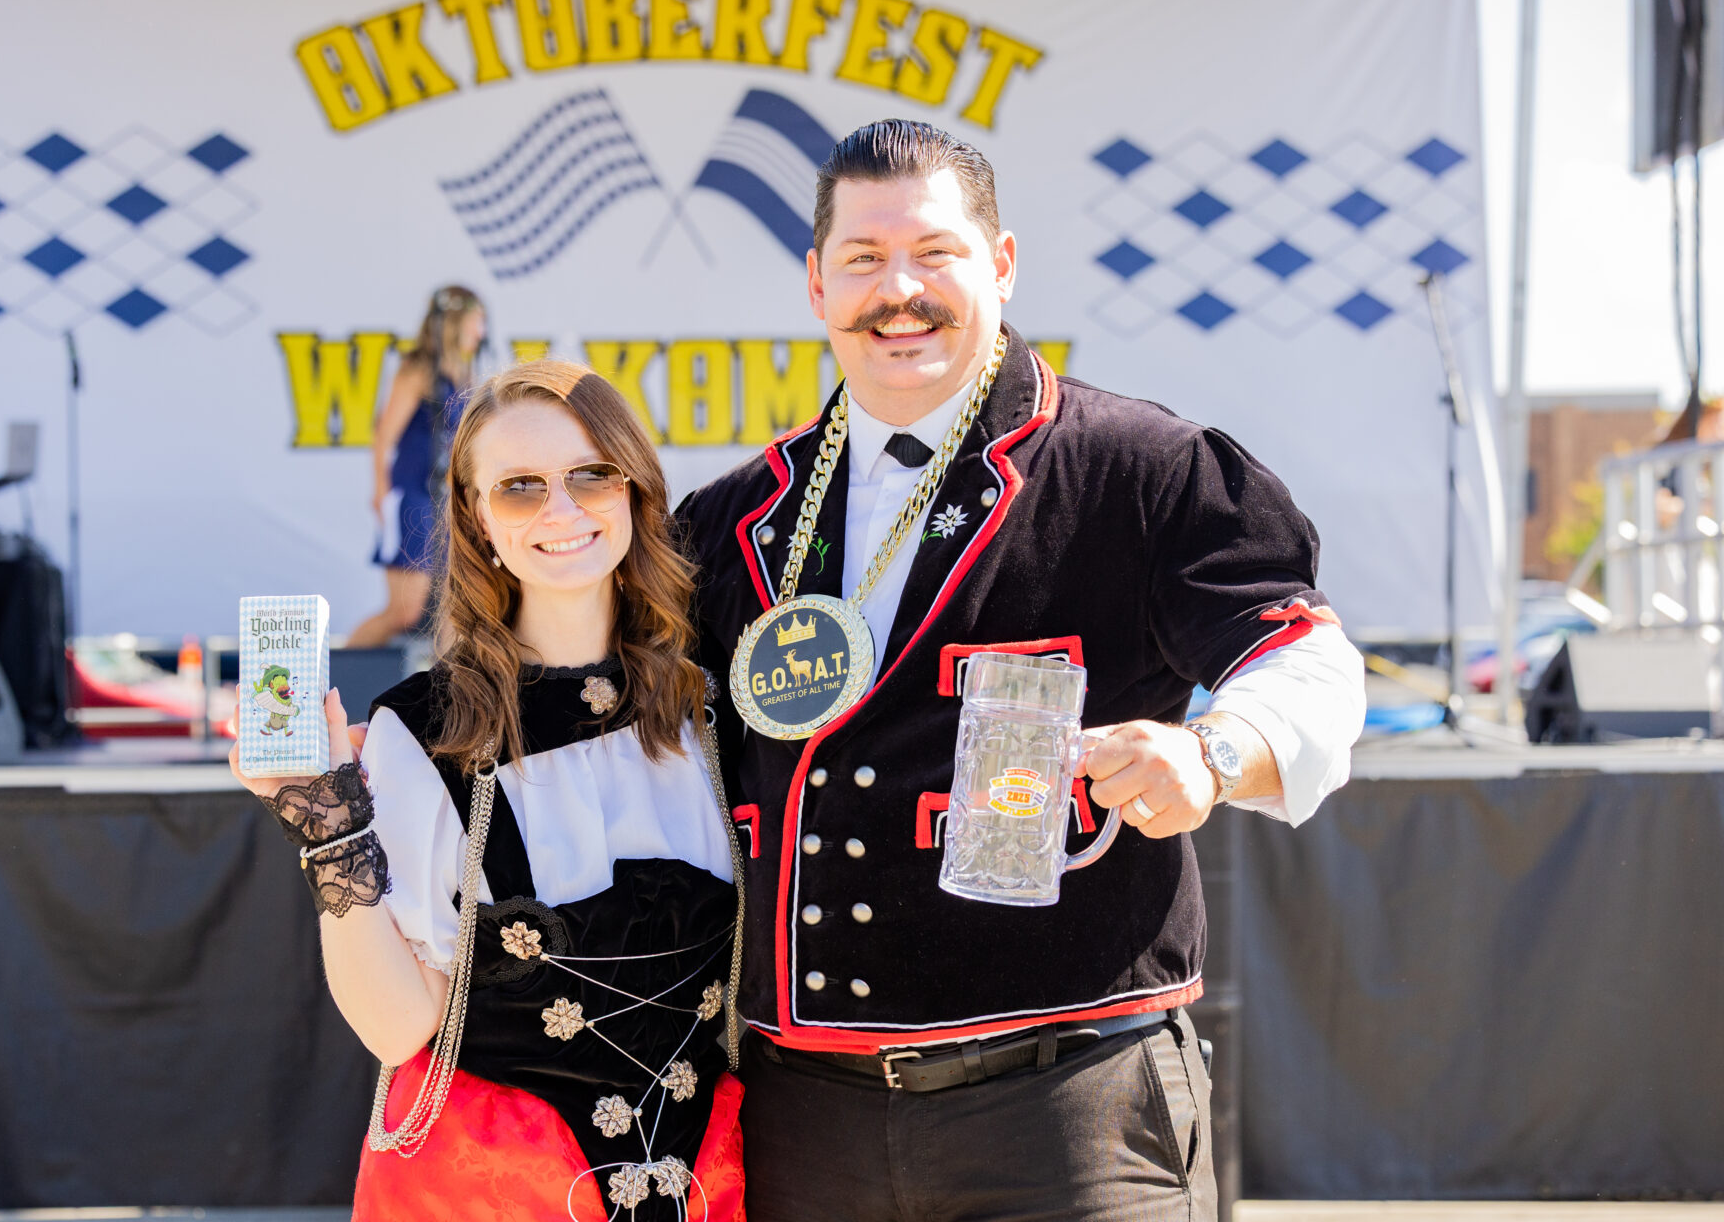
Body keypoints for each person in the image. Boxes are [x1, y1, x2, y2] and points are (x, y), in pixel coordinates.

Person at [676, 120, 1367, 1220]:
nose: (898, 290)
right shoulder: (730, 519)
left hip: (1069, 1111)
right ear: (816, 285)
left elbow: (1306, 657)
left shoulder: (1141, 469)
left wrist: (1214, 750)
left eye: (935, 252)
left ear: (1000, 263)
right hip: (803, 1126)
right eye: (862, 259)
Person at [232, 360, 747, 1220]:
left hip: (713, 1187)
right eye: (520, 487)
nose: (562, 508)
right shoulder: (420, 731)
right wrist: (325, 822)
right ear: (477, 516)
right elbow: (400, 1029)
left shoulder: (714, 709)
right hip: (502, 1195)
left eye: (591, 473)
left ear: (635, 488)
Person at [348, 285, 485, 648]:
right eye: (476, 322)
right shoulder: (418, 372)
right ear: (454, 323)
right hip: (413, 497)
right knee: (404, 612)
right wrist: (380, 491)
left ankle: (454, 694)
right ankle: (333, 675)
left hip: (446, 500)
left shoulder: (466, 375)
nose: (481, 333)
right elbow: (383, 437)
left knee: (453, 609)